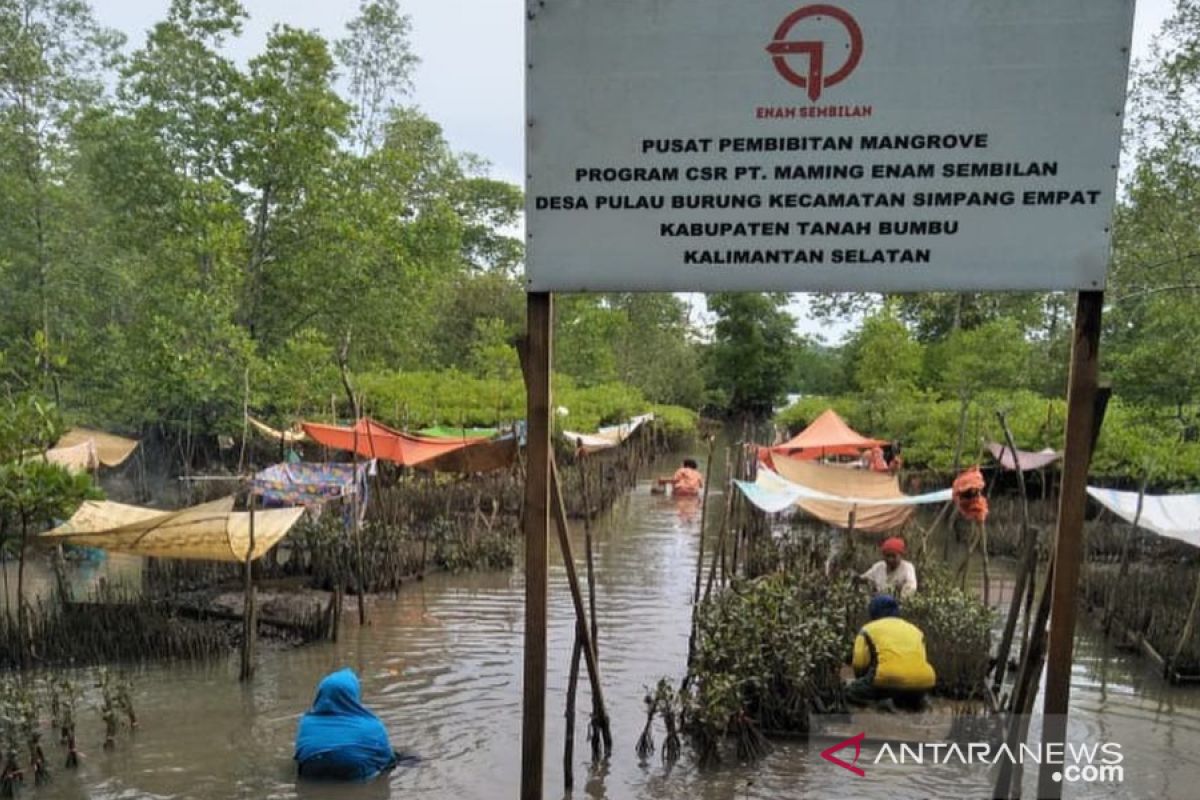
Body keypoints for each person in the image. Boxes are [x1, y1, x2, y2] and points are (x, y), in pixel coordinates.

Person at [295, 668, 397, 781]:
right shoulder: (371, 725)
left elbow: (301, 754)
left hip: (312, 770)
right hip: (354, 773)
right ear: (353, 694)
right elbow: (386, 758)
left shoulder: (307, 722)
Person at [845, 595, 936, 711]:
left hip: (886, 681)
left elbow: (859, 663)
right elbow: (922, 659)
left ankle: (881, 704)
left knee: (848, 692)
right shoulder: (915, 630)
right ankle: (917, 702)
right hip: (923, 682)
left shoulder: (867, 629)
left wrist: (861, 682)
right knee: (909, 700)